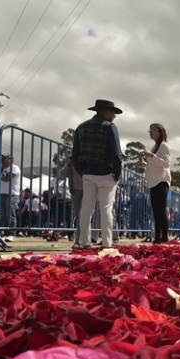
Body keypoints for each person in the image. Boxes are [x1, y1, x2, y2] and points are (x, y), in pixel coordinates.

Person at [72, 99, 123, 249]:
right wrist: (117, 174)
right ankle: (107, 243)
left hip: (88, 172)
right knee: (106, 209)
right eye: (113, 113)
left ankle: (84, 241)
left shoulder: (81, 127)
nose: (114, 116)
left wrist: (83, 171)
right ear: (106, 112)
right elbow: (116, 153)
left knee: (86, 208)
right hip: (107, 173)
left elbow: (75, 154)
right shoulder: (110, 127)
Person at [143, 123, 171, 243]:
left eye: (152, 130)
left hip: (161, 181)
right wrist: (144, 161)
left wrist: (152, 156)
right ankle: (158, 236)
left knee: (161, 209)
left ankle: (163, 237)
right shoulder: (155, 146)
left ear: (159, 131)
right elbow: (153, 165)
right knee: (156, 210)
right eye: (149, 130)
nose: (150, 132)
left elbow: (166, 163)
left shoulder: (164, 146)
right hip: (153, 181)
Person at [0, 154, 21, 240]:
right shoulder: (3, 169)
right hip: (3, 194)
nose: (2, 160)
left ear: (10, 160)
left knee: (10, 214)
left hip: (12, 194)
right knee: (2, 215)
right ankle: (4, 233)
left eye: (4, 159)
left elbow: (6, 178)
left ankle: (12, 234)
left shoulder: (14, 167)